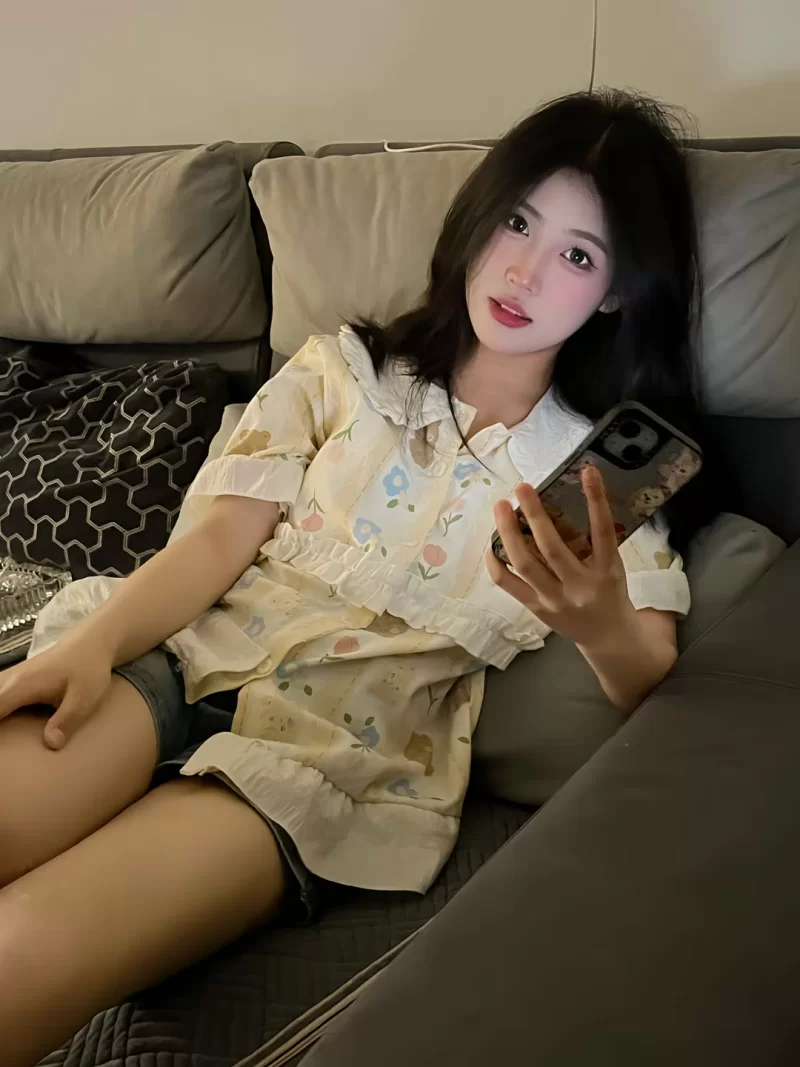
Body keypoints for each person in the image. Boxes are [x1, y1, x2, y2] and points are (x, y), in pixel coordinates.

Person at [0, 88, 709, 1065]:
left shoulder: (595, 481)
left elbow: (652, 675)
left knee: (22, 955)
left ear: (617, 293)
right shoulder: (341, 371)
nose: (524, 270)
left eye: (578, 256)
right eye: (516, 221)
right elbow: (214, 541)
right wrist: (92, 644)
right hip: (173, 663)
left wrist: (596, 623)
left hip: (322, 760)